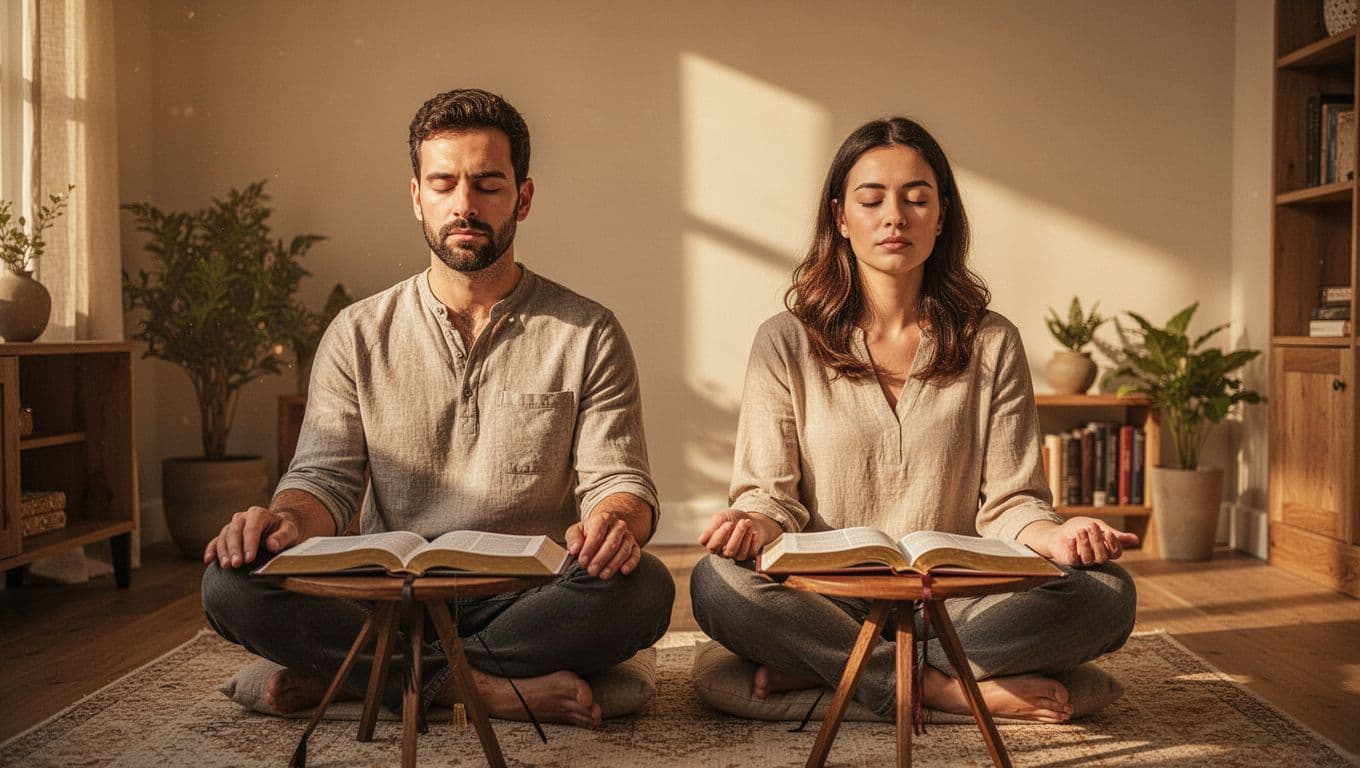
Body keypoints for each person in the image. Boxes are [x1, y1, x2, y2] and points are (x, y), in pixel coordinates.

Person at [200, 88, 674, 729]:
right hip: (386, 598)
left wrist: (615, 523)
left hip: (529, 601)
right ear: (417, 195)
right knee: (228, 582)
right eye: (444, 183)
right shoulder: (358, 331)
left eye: (487, 185)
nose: (464, 206)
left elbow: (619, 483)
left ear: (522, 199)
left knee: (645, 590)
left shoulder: (588, 331)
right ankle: (478, 688)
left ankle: (364, 677)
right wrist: (280, 523)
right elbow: (323, 480)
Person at [689, 117, 1138, 724]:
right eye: (871, 200)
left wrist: (1060, 537)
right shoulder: (784, 341)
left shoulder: (992, 341)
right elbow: (772, 498)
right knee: (717, 582)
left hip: (962, 605)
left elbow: (1012, 503)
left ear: (942, 215)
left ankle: (839, 670)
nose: (894, 216)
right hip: (830, 601)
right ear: (841, 219)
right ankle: (934, 685)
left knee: (1107, 592)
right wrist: (749, 524)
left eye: (916, 198)